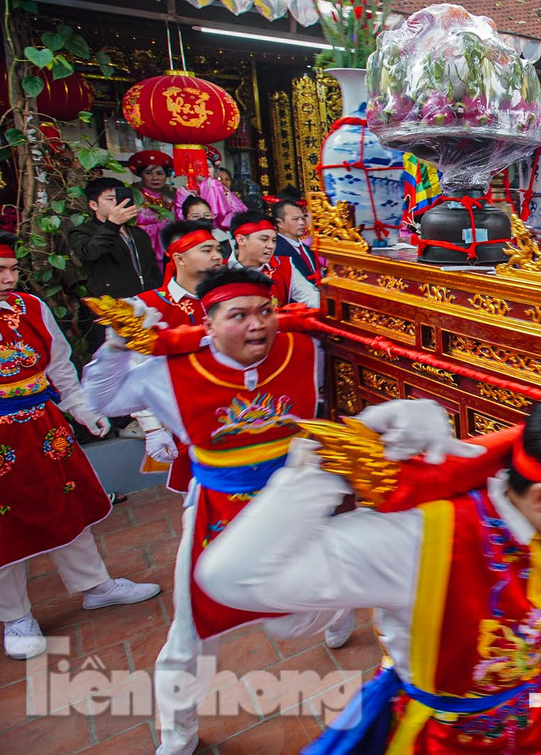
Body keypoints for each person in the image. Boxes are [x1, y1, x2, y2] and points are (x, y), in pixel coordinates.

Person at [196, 386, 541, 754]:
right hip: (440, 738)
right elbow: (232, 576)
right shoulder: (427, 540)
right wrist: (335, 460)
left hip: (525, 721)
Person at [81, 267, 350, 755]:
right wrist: (116, 348)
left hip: (296, 499)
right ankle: (177, 734)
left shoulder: (305, 348)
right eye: (239, 315)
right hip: (218, 508)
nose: (257, 324)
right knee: (191, 630)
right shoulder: (169, 370)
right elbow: (102, 400)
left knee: (321, 592)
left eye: (265, 311)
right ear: (207, 323)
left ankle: (337, 615)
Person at [0, 224, 160, 659]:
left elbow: (58, 365)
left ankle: (96, 586)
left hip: (43, 429)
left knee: (66, 506)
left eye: (12, 268)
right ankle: (15, 617)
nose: (8, 278)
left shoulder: (30, 307)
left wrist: (81, 407)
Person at [132, 219, 225, 494]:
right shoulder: (147, 306)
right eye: (207, 250)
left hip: (232, 411)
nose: (217, 256)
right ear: (179, 258)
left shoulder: (227, 299)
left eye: (218, 249)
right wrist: (152, 428)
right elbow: (135, 371)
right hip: (181, 418)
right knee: (198, 496)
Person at [69, 176, 162, 300]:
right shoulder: (82, 232)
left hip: (146, 299)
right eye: (110, 199)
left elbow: (152, 268)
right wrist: (112, 224)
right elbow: (90, 253)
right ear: (94, 205)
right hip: (110, 303)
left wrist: (158, 292)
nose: (117, 203)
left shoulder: (138, 233)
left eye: (119, 198)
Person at [229, 211, 320, 308]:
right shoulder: (224, 272)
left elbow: (311, 297)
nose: (271, 246)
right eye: (264, 239)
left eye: (274, 240)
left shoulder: (283, 266)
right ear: (241, 240)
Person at [129, 149, 179, 260]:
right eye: (148, 173)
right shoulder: (134, 197)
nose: (155, 178)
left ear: (166, 176)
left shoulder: (173, 196)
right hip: (142, 249)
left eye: (159, 173)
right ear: (141, 176)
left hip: (169, 248)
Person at [271, 198, 321, 287]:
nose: (302, 223)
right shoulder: (275, 250)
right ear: (279, 223)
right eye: (295, 219)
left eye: (303, 218)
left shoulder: (307, 249)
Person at [179, 195, 232, 260]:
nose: (202, 219)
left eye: (207, 215)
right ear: (185, 218)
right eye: (195, 216)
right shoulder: (179, 240)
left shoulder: (221, 237)